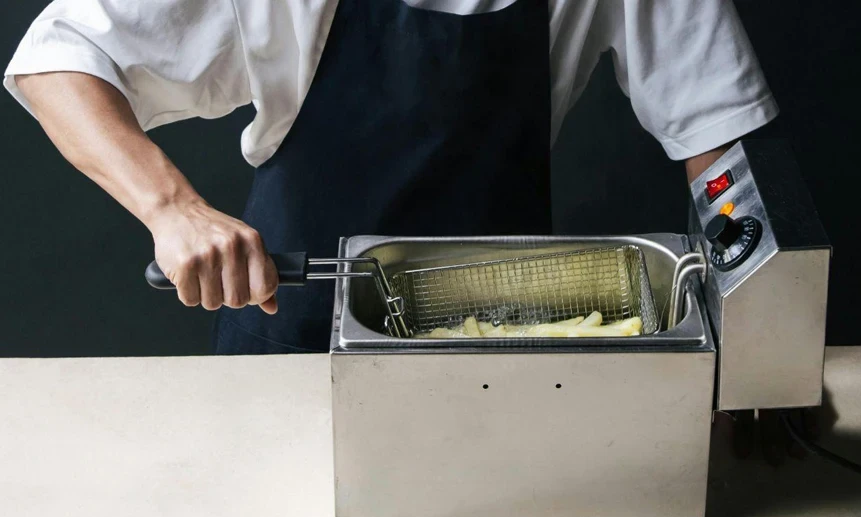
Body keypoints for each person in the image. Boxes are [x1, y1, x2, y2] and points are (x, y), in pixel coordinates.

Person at [5, 0, 777, 355]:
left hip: (507, 354)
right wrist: (173, 208)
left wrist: (761, 351)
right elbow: (58, 57)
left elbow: (722, 145)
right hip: (289, 336)